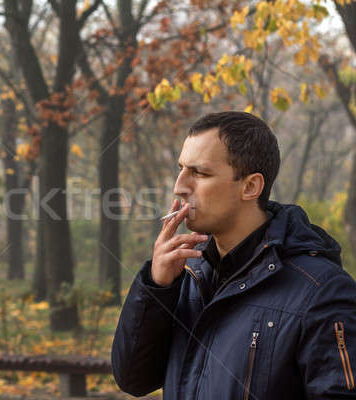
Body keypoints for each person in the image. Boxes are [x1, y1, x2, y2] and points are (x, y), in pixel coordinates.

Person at [111, 111, 356, 399]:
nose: (179, 186)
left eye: (199, 173)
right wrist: (157, 288)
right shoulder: (186, 273)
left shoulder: (322, 292)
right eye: (181, 168)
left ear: (250, 187)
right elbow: (133, 380)